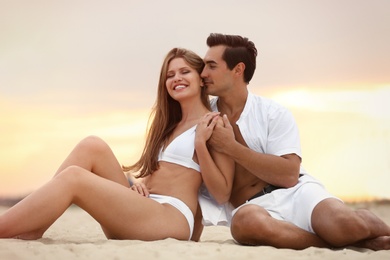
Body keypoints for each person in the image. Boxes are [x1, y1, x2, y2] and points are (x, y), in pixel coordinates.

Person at [0, 47, 234, 242]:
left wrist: (201, 144)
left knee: (74, 177)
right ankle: (36, 226)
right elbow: (166, 173)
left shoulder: (213, 124)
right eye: (170, 75)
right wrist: (141, 184)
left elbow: (222, 193)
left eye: (185, 72)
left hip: (169, 218)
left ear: (201, 79)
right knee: (91, 145)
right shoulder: (168, 125)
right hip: (143, 208)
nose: (176, 79)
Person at [200, 33, 390, 250]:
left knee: (344, 225)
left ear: (238, 70)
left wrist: (231, 147)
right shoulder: (204, 119)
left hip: (297, 192)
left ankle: (367, 226)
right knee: (245, 225)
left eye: (211, 66)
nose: (203, 73)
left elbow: (289, 174)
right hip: (252, 207)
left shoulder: (272, 113)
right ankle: (352, 244)